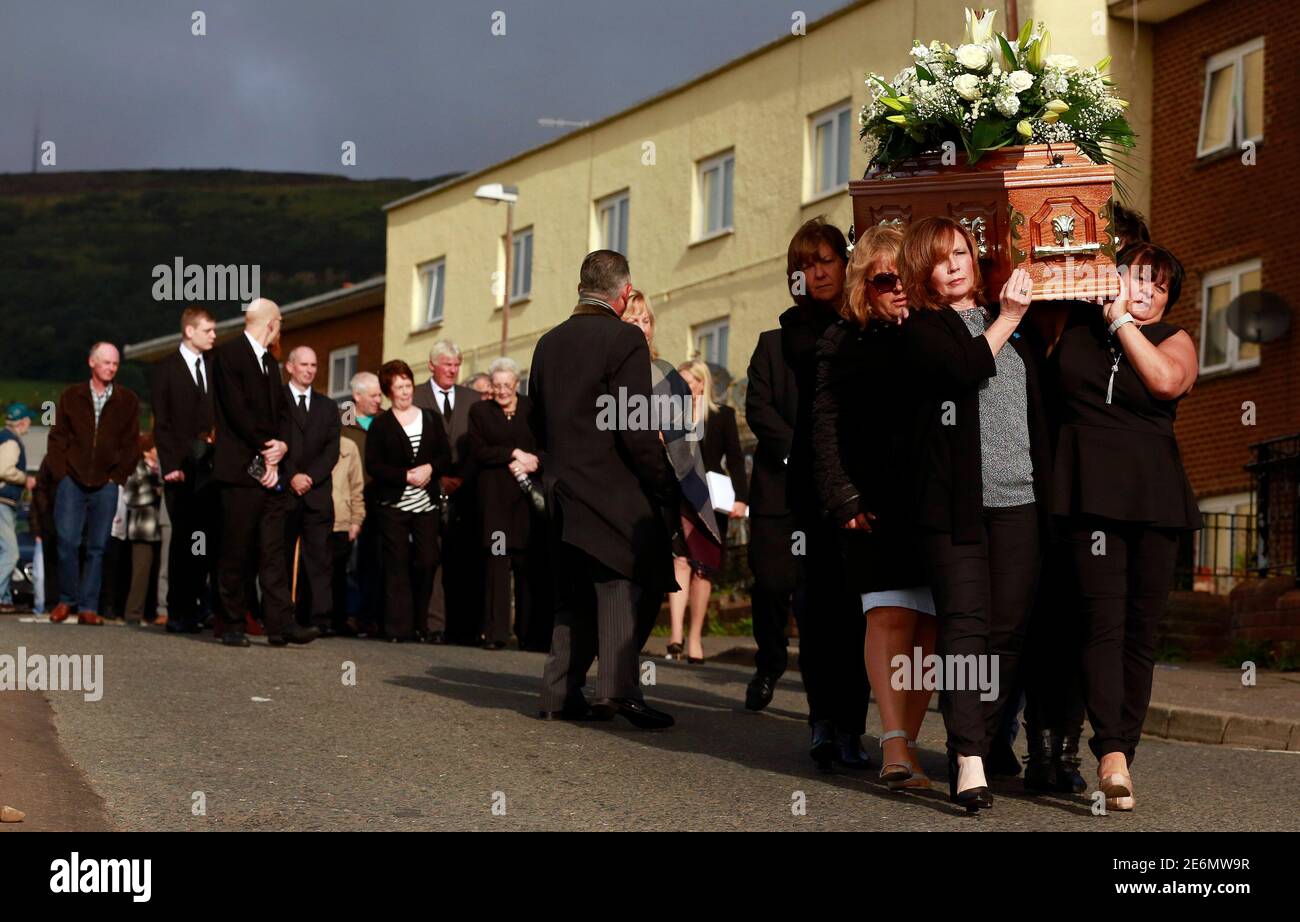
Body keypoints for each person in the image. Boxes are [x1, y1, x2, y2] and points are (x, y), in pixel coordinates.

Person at [897, 216, 1050, 811]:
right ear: (925, 271)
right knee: (965, 626)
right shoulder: (922, 330)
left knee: (1007, 631)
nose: (956, 263)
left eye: (963, 250)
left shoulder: (1009, 323)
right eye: (941, 257)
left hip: (1020, 501)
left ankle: (981, 741)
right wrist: (1010, 318)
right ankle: (967, 758)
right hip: (956, 507)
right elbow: (961, 370)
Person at [1050, 243, 1199, 812]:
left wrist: (1122, 322)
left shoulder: (1173, 339)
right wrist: (1098, 309)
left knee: (1141, 632)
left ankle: (1123, 756)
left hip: (1154, 496)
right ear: (1113, 277)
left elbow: (1164, 383)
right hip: (1090, 491)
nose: (1147, 292)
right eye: (1137, 278)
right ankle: (1109, 751)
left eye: (1158, 287)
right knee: (1102, 623)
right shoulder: (1075, 326)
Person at [530, 249, 678, 729]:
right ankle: (619, 692)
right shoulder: (625, 339)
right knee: (618, 582)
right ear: (624, 294)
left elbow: (535, 422)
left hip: (559, 486)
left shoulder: (548, 343)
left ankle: (558, 693)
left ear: (580, 287)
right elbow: (635, 427)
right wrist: (661, 482)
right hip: (610, 488)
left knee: (572, 594)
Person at [813, 225, 934, 790]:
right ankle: (889, 743)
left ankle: (908, 744)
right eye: (886, 279)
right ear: (865, 282)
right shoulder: (841, 341)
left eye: (906, 277)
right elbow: (825, 427)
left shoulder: (934, 332)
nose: (898, 289)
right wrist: (843, 497)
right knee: (888, 615)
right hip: (871, 503)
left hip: (932, 502)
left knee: (929, 627)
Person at [780, 217, 872, 771]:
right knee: (817, 612)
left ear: (846, 261)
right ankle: (821, 721)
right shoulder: (799, 325)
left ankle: (852, 728)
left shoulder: (865, 322)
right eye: (805, 266)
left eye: (825, 261)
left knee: (860, 611)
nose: (815, 273)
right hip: (812, 488)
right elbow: (815, 354)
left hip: (862, 482)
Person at [211, 298, 317, 648]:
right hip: (240, 471)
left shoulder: (271, 364)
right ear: (271, 324)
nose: (280, 329)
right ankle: (232, 623)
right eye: (281, 322)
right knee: (236, 549)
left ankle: (280, 624)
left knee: (273, 551)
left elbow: (282, 413)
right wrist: (267, 450)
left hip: (271, 472)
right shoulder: (229, 356)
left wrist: (282, 447)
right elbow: (237, 412)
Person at [621, 292, 720, 654]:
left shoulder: (666, 376)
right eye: (632, 320)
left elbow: (686, 441)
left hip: (661, 489)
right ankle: (615, 668)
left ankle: (629, 665)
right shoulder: (608, 371)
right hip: (619, 489)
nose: (641, 327)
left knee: (652, 580)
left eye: (646, 320)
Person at [47, 342, 140, 626]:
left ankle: (88, 606)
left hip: (106, 482)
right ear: (92, 363)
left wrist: (117, 477)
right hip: (71, 480)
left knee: (98, 546)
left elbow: (131, 443)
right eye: (106, 362)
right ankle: (66, 599)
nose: (111, 368)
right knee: (67, 541)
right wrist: (60, 473)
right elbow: (57, 437)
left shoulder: (128, 400)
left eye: (115, 364)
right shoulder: (71, 396)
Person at [366, 360, 451, 643]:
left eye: (408, 385)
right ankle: (397, 628)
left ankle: (422, 624)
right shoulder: (381, 424)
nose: (405, 392)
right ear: (389, 391)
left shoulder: (430, 418)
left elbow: (444, 456)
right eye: (398, 387)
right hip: (395, 506)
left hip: (426, 505)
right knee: (397, 565)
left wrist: (430, 469)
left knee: (427, 561)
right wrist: (404, 476)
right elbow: (374, 466)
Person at [666, 360, 746, 663]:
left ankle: (695, 639)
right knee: (680, 562)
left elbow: (736, 459)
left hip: (711, 499)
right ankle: (675, 636)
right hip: (679, 496)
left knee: (703, 569)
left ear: (702, 384)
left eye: (688, 382)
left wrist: (741, 498)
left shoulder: (723, 416)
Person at [743, 320, 801, 712]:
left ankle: (828, 696)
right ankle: (769, 663)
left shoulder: (847, 334)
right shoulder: (771, 344)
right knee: (769, 583)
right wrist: (798, 452)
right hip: (776, 487)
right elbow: (756, 407)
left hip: (831, 487)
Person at [150, 306, 218, 634]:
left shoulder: (212, 367)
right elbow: (162, 423)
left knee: (201, 540)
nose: (214, 336)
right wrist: (171, 465)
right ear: (190, 331)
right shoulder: (166, 370)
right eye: (209, 330)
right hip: (180, 470)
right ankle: (177, 611)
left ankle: (194, 608)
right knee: (182, 542)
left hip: (207, 470)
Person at [468, 357, 539, 650]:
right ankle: (495, 633)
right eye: (496, 385)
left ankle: (529, 634)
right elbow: (479, 451)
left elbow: (543, 447)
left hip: (525, 502)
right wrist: (513, 453)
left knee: (527, 565)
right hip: (495, 502)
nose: (501, 391)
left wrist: (532, 463)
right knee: (497, 565)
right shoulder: (480, 411)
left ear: (517, 385)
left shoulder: (532, 409)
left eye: (507, 385)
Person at [414, 340, 482, 644]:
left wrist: (461, 479)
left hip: (465, 490)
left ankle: (462, 628)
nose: (452, 370)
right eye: (446, 364)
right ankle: (432, 625)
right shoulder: (415, 396)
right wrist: (438, 478)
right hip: (426, 488)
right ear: (432, 365)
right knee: (430, 559)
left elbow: (479, 445)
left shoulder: (473, 398)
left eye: (456, 364)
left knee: (463, 560)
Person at [279, 346, 341, 634]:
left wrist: (310, 477)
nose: (309, 370)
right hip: (285, 491)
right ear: (290, 367)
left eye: (314, 365)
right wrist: (291, 476)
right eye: (303, 364)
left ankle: (320, 618)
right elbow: (270, 441)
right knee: (279, 555)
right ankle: (280, 614)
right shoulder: (276, 400)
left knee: (319, 558)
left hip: (316, 493)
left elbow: (331, 451)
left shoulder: (328, 407)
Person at [342, 371, 382, 636]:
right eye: (374, 395)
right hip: (349, 501)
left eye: (380, 394)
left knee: (372, 562)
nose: (380, 400)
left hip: (377, 501)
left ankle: (368, 615)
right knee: (349, 561)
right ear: (357, 396)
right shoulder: (341, 422)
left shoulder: (385, 421)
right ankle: (348, 614)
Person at [123, 434, 163, 625]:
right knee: (140, 573)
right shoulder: (137, 469)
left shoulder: (161, 471)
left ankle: (152, 612)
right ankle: (133, 613)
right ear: (147, 450)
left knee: (157, 573)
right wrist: (153, 493)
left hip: (158, 528)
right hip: (141, 529)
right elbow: (130, 498)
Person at [0, 404, 36, 614]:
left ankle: (5, 599)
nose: (29, 426)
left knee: (4, 551)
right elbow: (4, 469)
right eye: (28, 421)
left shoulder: (3, 437)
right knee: (12, 553)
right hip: (3, 502)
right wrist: (25, 479)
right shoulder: (12, 441)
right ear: (21, 421)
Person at [330, 433, 365, 635]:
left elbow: (356, 486)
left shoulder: (349, 447)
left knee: (340, 573)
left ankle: (339, 619)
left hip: (342, 519)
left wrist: (356, 520)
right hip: (316, 517)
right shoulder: (310, 441)